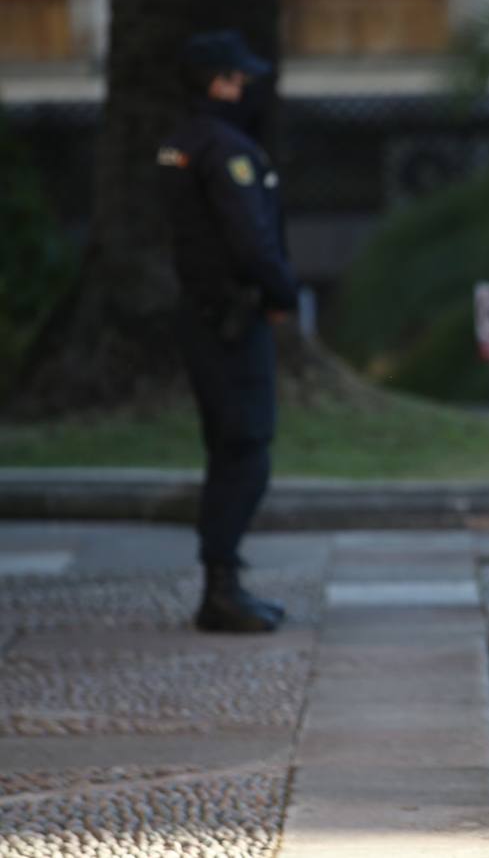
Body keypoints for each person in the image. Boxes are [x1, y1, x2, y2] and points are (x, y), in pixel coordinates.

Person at [157, 31, 298, 633]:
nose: (244, 90)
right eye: (237, 80)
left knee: (227, 449)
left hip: (202, 312)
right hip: (234, 319)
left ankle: (224, 584)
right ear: (217, 82)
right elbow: (250, 240)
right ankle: (221, 589)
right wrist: (283, 293)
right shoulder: (225, 149)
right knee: (246, 453)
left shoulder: (179, 144)